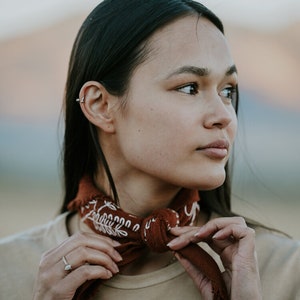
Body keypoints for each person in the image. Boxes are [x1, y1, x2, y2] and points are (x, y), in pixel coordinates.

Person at [0, 0, 299, 299]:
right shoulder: (10, 269)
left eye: (227, 90)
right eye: (189, 87)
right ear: (100, 105)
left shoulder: (285, 272)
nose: (224, 115)